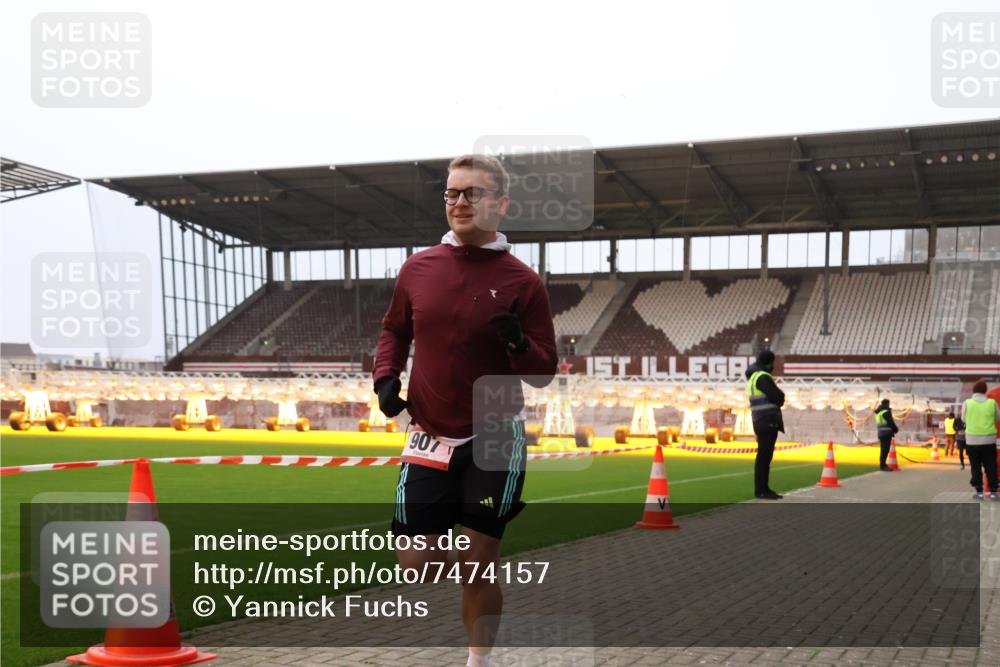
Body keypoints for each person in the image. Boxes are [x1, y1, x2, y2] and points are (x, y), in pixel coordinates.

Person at [373, 154, 557, 667]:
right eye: (452, 193)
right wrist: (386, 377)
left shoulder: (524, 282)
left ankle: (478, 660)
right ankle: (477, 562)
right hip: (429, 433)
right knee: (416, 564)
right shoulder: (418, 268)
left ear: (501, 204)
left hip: (496, 435)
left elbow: (543, 370)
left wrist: (519, 343)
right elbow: (394, 330)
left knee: (480, 562)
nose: (458, 202)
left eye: (472, 193)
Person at [745, 350, 785, 499]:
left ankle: (763, 489)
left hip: (760, 420)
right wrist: (781, 396)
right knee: (764, 457)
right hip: (767, 420)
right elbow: (778, 397)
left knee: (764, 456)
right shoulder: (763, 377)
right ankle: (761, 490)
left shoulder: (754, 377)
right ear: (769, 362)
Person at [959, 380, 999, 500]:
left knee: (975, 467)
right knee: (991, 467)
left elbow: (963, 419)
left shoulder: (967, 403)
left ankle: (979, 492)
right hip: (989, 440)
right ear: (985, 391)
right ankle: (993, 492)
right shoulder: (992, 403)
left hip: (972, 441)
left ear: (974, 390)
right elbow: (998, 418)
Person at [874, 399, 899, 471]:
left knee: (883, 450)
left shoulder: (878, 412)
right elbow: (890, 422)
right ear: (887, 404)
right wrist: (895, 429)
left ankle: (883, 465)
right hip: (887, 432)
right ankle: (883, 466)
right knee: (885, 449)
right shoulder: (886, 412)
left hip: (881, 433)